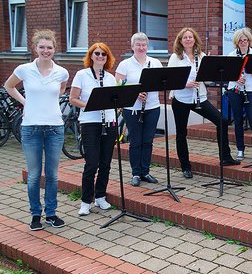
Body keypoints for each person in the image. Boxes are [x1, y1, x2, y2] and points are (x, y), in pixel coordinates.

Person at [4, 29, 69, 230]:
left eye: (49, 47)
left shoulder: (62, 72)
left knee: (52, 174)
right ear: (35, 48)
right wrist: (25, 102)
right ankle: (35, 215)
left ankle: (51, 213)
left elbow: (61, 91)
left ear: (54, 49)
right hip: (30, 128)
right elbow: (9, 86)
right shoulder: (24, 69)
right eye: (42, 47)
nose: (45, 50)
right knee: (33, 175)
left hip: (55, 129)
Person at [168, 28, 240, 178]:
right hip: (181, 99)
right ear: (180, 41)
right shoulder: (176, 57)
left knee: (222, 121)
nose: (188, 39)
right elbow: (170, 79)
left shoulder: (201, 56)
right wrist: (186, 84)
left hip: (199, 97)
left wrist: (209, 75)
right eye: (185, 37)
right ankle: (185, 167)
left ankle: (225, 157)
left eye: (191, 37)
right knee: (181, 133)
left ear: (195, 39)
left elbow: (207, 78)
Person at [69, 43, 118, 216]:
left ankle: (100, 196)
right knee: (92, 164)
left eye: (104, 54)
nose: (100, 56)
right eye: (97, 53)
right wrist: (91, 105)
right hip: (90, 123)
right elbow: (73, 99)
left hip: (109, 123)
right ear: (91, 55)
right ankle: (85, 201)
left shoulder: (111, 78)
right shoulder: (82, 75)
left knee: (105, 163)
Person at [115, 32, 162, 186]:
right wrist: (135, 94)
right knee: (136, 141)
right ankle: (136, 173)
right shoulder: (125, 64)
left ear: (147, 46)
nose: (141, 48)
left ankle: (145, 172)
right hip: (132, 109)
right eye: (138, 45)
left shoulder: (155, 62)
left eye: (144, 45)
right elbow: (118, 85)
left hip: (152, 107)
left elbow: (162, 82)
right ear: (132, 46)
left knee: (148, 141)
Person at [226, 28, 252, 162]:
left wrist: (250, 70)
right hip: (235, 89)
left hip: (250, 90)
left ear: (249, 41)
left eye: (245, 40)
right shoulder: (231, 55)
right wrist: (236, 77)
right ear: (237, 42)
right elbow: (227, 74)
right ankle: (240, 149)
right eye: (240, 41)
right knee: (238, 121)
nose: (243, 42)